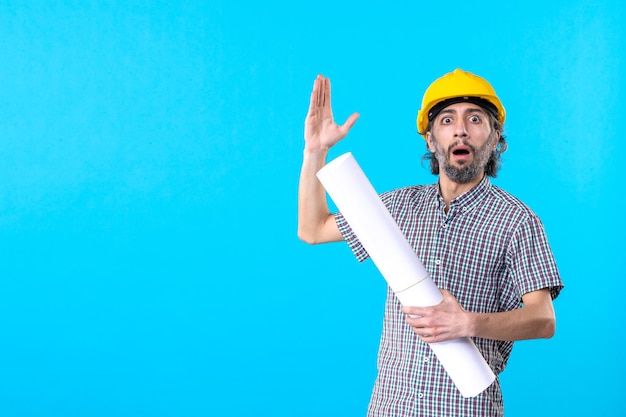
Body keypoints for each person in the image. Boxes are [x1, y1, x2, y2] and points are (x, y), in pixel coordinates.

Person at [297, 68, 564, 416]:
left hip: (466, 408)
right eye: (447, 120)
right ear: (430, 138)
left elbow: (544, 320)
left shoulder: (517, 222)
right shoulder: (396, 208)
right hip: (391, 407)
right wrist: (315, 152)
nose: (461, 130)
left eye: (475, 119)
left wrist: (469, 323)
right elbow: (313, 229)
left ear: (496, 137)